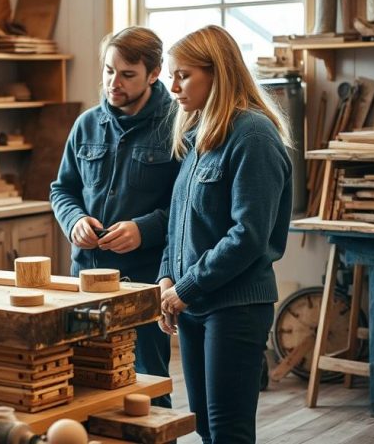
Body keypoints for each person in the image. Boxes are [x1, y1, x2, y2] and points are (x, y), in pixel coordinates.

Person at [158, 25, 292, 444]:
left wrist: (186, 287)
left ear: (218, 73)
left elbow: (248, 236)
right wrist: (166, 281)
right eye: (171, 74)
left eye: (184, 74)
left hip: (234, 308)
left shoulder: (253, 134)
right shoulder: (200, 136)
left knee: (229, 432)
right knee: (205, 428)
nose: (173, 85)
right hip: (195, 303)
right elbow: (177, 223)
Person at [50, 26, 179, 407]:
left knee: (147, 387)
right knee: (85, 383)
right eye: (108, 71)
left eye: (127, 75)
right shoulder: (86, 124)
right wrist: (73, 219)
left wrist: (145, 229)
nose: (113, 83)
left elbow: (190, 207)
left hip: (145, 283)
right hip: (85, 282)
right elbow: (62, 189)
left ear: (154, 74)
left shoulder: (178, 126)